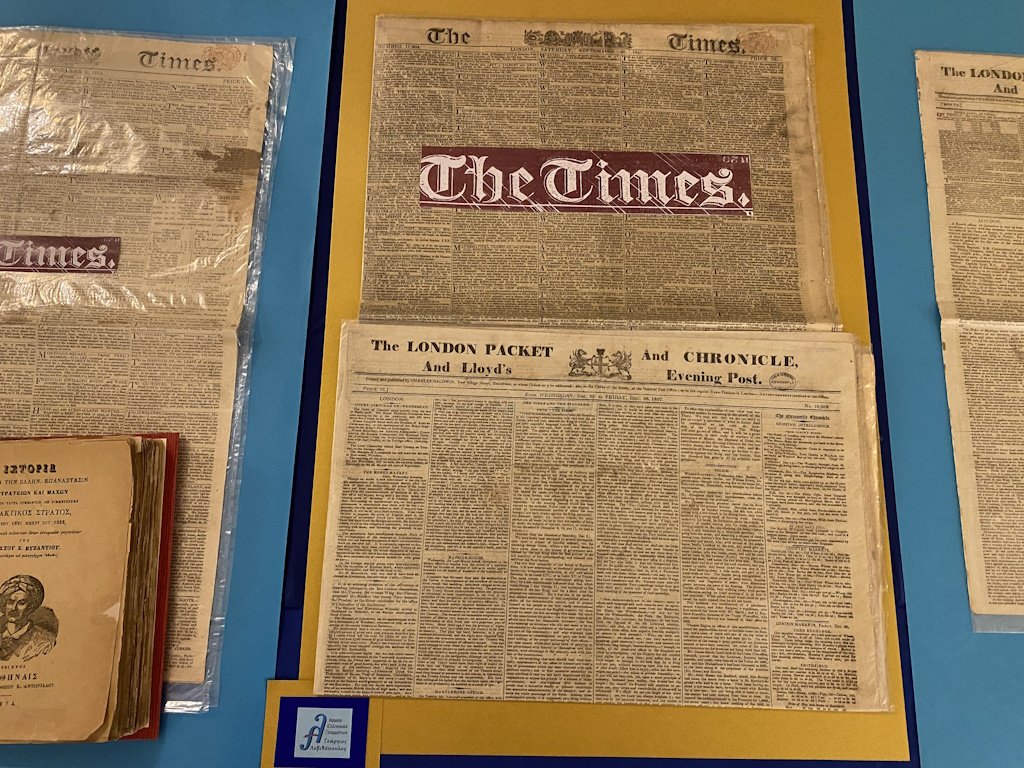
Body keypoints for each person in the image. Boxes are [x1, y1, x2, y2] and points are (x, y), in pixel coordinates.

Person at [0, 575, 57, 662]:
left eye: (21, 603)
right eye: (10, 602)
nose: (13, 608)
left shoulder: (44, 640)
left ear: (30, 607)